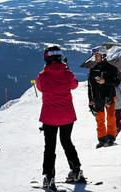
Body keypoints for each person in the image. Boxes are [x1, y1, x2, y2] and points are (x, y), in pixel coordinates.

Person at [36, 45, 83, 190]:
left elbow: (40, 87)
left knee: (50, 147)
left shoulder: (43, 76)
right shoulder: (67, 73)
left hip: (49, 117)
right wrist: (67, 71)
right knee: (67, 142)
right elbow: (74, 85)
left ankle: (49, 177)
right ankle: (76, 171)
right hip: (67, 116)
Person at [88, 47, 120, 148]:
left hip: (109, 96)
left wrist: (105, 81)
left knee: (111, 117)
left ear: (104, 56)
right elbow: (90, 86)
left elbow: (116, 82)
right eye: (95, 56)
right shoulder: (93, 70)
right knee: (99, 118)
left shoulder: (112, 69)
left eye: (97, 55)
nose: (95, 57)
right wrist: (90, 99)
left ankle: (111, 138)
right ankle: (102, 139)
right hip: (97, 97)